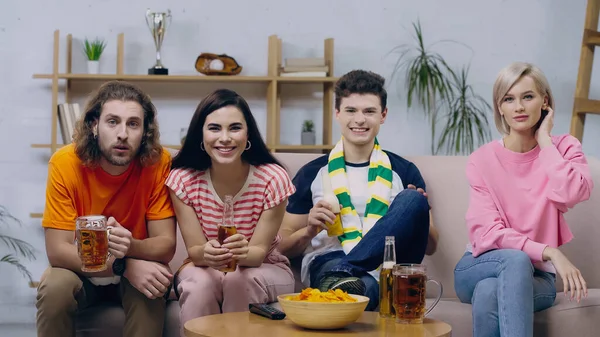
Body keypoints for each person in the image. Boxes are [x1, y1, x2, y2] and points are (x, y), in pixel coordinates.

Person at [277, 69, 440, 311]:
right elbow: (281, 247)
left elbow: (431, 246)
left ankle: (349, 267)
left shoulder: (404, 171)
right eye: (351, 110)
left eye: (369, 111)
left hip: (390, 265)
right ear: (337, 114)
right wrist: (309, 230)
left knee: (411, 199)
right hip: (330, 262)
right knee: (364, 289)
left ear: (383, 115)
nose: (360, 119)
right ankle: (350, 277)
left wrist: (413, 216)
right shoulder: (313, 173)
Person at [453, 62, 593, 337]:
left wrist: (545, 142)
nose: (518, 107)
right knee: (514, 261)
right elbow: (489, 234)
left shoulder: (563, 148)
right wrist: (550, 251)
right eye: (509, 99)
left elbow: (574, 191)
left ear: (545, 101)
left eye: (527, 97)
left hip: (538, 277)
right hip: (479, 264)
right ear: (500, 107)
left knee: (489, 292)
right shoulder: (481, 161)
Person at [36, 81, 177, 337]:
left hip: (135, 267)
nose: (122, 133)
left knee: (152, 285)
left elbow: (166, 244)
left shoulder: (159, 162)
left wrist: (131, 247)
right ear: (94, 125)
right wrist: (124, 265)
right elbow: (57, 251)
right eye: (113, 122)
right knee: (55, 287)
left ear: (145, 131)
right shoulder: (65, 163)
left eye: (133, 124)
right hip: (80, 269)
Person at [165, 89, 296, 329]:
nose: (224, 138)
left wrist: (243, 252)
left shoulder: (273, 179)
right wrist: (207, 252)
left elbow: (257, 254)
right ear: (200, 136)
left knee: (237, 279)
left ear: (248, 136)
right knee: (200, 283)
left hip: (265, 266)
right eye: (214, 128)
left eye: (234, 128)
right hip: (205, 265)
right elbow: (194, 251)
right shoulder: (183, 180)